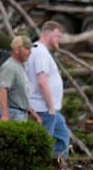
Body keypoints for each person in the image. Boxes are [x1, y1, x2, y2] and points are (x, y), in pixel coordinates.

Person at [26, 21, 71, 162]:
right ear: (48, 34)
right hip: (44, 108)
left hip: (49, 109)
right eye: (57, 36)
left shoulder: (38, 51)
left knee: (62, 138)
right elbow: (42, 81)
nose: (59, 40)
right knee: (43, 145)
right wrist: (51, 106)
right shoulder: (40, 52)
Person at [0, 35, 40, 123]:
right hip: (12, 114)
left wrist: (32, 113)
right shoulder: (9, 67)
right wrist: (4, 115)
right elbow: (2, 90)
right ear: (16, 50)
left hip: (20, 114)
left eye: (30, 49)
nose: (30, 52)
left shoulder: (19, 66)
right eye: (27, 48)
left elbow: (20, 94)